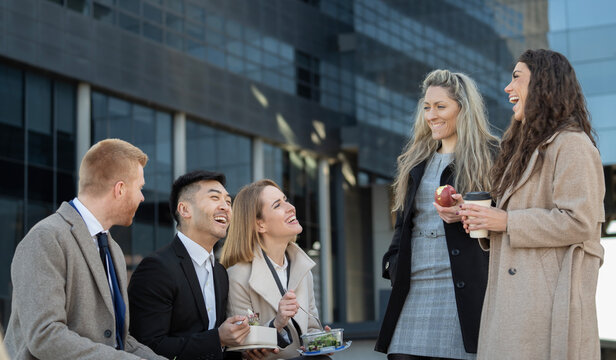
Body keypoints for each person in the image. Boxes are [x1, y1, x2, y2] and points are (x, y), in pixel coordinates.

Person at [459, 49, 605, 359]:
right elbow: (508, 216)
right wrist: (479, 215)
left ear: (543, 84)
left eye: (516, 78)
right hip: (512, 306)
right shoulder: (524, 150)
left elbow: (579, 221)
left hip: (546, 310)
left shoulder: (573, 146)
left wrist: (507, 222)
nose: (507, 88)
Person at [374, 70, 499, 360]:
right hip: (413, 291)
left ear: (464, 109)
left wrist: (466, 212)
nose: (431, 115)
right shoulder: (415, 158)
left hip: (463, 295)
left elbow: (507, 216)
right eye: (427, 107)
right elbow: (403, 224)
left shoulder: (493, 154)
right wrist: (393, 264)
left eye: (441, 106)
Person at [4, 138, 165, 360]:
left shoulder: (113, 250)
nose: (142, 197)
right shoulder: (46, 238)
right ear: (120, 189)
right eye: (140, 188)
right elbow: (45, 336)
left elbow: (118, 340)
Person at [128, 170, 272, 360]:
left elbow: (214, 345)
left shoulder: (220, 272)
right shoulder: (156, 268)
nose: (226, 207)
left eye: (228, 202)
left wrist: (242, 351)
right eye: (215, 198)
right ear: (185, 210)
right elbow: (146, 346)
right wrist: (218, 339)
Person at [220, 180, 328, 360]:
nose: (291, 207)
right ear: (260, 225)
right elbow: (245, 348)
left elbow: (311, 329)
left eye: (286, 200)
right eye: (278, 205)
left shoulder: (303, 268)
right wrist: (277, 323)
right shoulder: (238, 276)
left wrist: (322, 342)